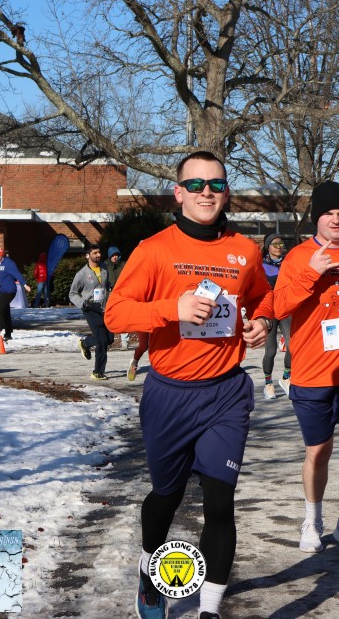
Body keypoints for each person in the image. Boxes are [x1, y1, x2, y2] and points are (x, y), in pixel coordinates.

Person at [104, 150, 274, 619]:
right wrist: (171, 309)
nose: (206, 193)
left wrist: (261, 321)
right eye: (196, 185)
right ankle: (149, 570)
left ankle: (209, 609)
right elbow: (115, 314)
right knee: (167, 495)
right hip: (170, 394)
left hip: (225, 393)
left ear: (226, 193)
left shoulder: (245, 251)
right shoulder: (154, 250)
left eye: (216, 185)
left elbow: (263, 296)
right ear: (179, 193)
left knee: (220, 503)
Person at [272, 181, 339, 560]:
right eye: (328, 214)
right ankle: (312, 520)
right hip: (312, 372)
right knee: (318, 452)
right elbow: (278, 306)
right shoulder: (298, 257)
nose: (336, 220)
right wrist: (311, 273)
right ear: (316, 219)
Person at [69, 244, 114, 381]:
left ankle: (85, 343)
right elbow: (72, 294)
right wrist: (83, 303)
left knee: (109, 339)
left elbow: (105, 285)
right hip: (90, 308)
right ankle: (98, 372)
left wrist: (111, 288)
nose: (98, 255)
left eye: (99, 252)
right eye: (95, 253)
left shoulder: (104, 268)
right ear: (88, 256)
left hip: (104, 308)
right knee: (101, 340)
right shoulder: (81, 274)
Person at [260, 232, 292, 399]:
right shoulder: (261, 265)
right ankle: (268, 384)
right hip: (270, 312)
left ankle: (286, 378)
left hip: (286, 310)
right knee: (271, 350)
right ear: (268, 247)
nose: (279, 247)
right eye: (275, 244)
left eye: (281, 244)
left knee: (293, 347)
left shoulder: (288, 263)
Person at [106, 247, 132, 349]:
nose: (115, 257)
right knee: (109, 317)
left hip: (123, 293)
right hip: (109, 293)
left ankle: (125, 341)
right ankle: (107, 340)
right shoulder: (105, 266)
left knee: (124, 317)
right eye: (112, 255)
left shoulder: (124, 265)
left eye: (116, 255)